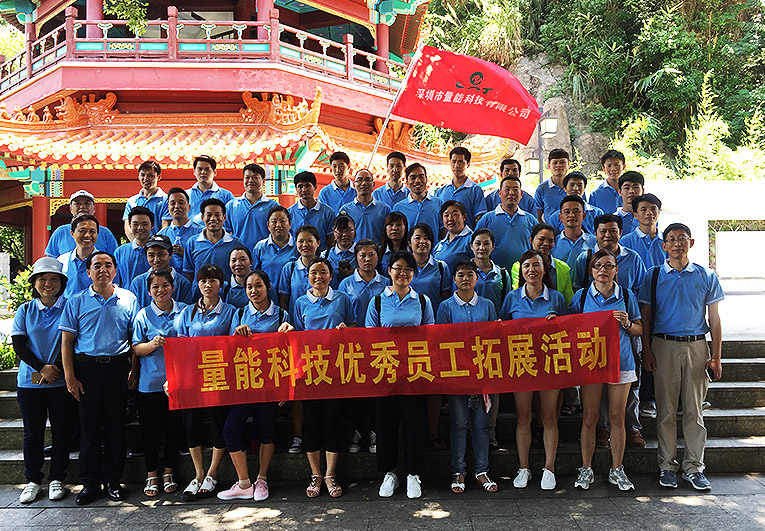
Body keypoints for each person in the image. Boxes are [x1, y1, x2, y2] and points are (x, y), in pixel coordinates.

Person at [640, 223, 724, 491]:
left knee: (694, 410)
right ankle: (667, 466)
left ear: (692, 242)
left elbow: (714, 318)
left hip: (697, 346)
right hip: (663, 345)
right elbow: (646, 317)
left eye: (682, 238)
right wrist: (647, 350)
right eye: (671, 239)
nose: (677, 243)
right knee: (665, 410)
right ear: (664, 245)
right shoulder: (653, 276)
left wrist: (716, 356)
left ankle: (694, 467)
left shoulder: (706, 275)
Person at [59, 251, 140, 505]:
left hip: (118, 369)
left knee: (116, 427)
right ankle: (90, 483)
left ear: (115, 270)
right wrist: (70, 377)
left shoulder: (128, 298)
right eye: (97, 266)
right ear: (88, 272)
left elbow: (135, 339)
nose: (103, 269)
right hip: (87, 370)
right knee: (89, 429)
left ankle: (114, 481)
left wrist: (134, 370)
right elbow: (67, 342)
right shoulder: (76, 301)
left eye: (108, 265)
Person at [218, 270, 293, 502]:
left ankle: (262, 478)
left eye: (258, 285)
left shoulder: (281, 315)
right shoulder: (240, 313)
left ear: (268, 287)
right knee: (230, 431)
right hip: (244, 383)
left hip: (270, 384)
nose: (254, 291)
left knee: (267, 431)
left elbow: (290, 353)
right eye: (249, 287)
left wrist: (285, 386)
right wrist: (236, 334)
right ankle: (243, 483)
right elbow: (229, 350)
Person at [571, 249, 643, 491]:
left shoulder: (626, 295)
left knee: (617, 418)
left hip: (621, 363)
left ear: (616, 270)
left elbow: (640, 329)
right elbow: (568, 326)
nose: (603, 270)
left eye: (608, 265)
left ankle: (617, 469)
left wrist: (627, 323)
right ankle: (586, 467)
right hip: (590, 363)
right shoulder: (582, 296)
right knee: (590, 417)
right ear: (591, 270)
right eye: (598, 265)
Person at [366, 251, 435, 499]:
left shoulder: (423, 301)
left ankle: (413, 474)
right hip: (386, 372)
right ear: (389, 271)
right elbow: (370, 337)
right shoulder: (377, 301)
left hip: (414, 372)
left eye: (408, 269)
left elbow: (430, 335)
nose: (402, 273)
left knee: (414, 423)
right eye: (398, 268)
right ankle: (389, 473)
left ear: (414, 274)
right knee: (386, 425)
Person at [500, 250, 566, 491]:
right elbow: (501, 328)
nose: (531, 270)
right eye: (526, 265)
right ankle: (524, 467)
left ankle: (549, 468)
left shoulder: (556, 298)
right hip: (522, 364)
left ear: (544, 269)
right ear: (521, 270)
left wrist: (557, 324)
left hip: (549, 365)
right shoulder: (512, 298)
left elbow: (569, 331)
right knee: (523, 417)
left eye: (536, 265)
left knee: (549, 417)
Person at [12, 258, 73, 504]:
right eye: (42, 279)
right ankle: (33, 480)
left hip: (60, 382)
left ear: (61, 283)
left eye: (54, 279)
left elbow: (72, 341)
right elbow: (19, 345)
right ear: (34, 283)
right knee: (32, 433)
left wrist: (54, 369)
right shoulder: (25, 310)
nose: (48, 284)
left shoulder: (69, 307)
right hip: (30, 383)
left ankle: (57, 478)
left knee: (61, 432)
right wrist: (42, 368)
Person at [293, 257, 356, 498]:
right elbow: (297, 338)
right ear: (307, 276)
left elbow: (354, 329)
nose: (318, 277)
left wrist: (346, 331)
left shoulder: (342, 299)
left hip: (335, 372)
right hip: (310, 372)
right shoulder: (300, 303)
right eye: (313, 272)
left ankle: (330, 474)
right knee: (311, 423)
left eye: (323, 272)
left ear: (331, 275)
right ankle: (315, 474)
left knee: (332, 422)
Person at [436, 261, 498, 495]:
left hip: (482, 373)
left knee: (481, 425)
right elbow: (441, 340)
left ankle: (482, 471)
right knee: (460, 423)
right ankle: (458, 471)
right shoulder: (445, 307)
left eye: (470, 274)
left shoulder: (487, 305)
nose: (465, 279)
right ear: (454, 279)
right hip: (457, 374)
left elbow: (494, 337)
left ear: (477, 278)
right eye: (460, 275)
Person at [177, 265, 237, 501]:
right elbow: (180, 348)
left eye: (213, 280)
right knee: (192, 424)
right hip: (192, 379)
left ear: (221, 284)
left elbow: (233, 344)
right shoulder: (188, 312)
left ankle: (212, 473)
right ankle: (198, 473)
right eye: (203, 280)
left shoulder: (230, 311)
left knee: (217, 423)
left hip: (218, 376)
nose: (207, 285)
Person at [131, 270, 186, 497]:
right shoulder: (143, 315)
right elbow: (137, 348)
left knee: (174, 428)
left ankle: (169, 472)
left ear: (173, 287)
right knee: (150, 431)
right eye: (155, 287)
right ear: (149, 291)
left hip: (179, 382)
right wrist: (153, 344)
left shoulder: (185, 311)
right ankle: (151, 473)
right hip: (151, 383)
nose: (160, 290)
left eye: (165, 285)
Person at [338, 239, 390, 454]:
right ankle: (359, 430)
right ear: (356, 258)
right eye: (362, 255)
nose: (367, 259)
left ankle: (375, 431)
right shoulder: (346, 284)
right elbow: (341, 311)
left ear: (378, 257)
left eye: (371, 255)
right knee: (357, 393)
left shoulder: (386, 282)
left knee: (378, 391)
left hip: (380, 346)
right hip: (354, 347)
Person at [572, 214, 646, 293]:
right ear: (595, 234)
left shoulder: (632, 258)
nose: (608, 235)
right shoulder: (584, 258)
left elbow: (641, 288)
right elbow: (577, 288)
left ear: (620, 233)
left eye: (613, 231)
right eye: (603, 231)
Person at [476, 175, 536, 270]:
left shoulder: (530, 220)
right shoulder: (486, 219)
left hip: (524, 273)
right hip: (494, 273)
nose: (511, 193)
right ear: (500, 193)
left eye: (515, 190)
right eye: (507, 189)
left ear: (521, 194)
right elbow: (476, 244)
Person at [510, 223, 574, 304]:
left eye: (550, 241)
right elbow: (517, 295)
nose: (546, 243)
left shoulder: (563, 267)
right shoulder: (518, 266)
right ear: (531, 240)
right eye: (541, 239)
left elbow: (568, 300)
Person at [182, 198, 245, 282]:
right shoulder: (192, 243)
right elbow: (189, 273)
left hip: (227, 290)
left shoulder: (235, 243)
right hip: (199, 290)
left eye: (217, 215)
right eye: (209, 215)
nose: (213, 218)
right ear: (202, 218)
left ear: (224, 217)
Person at [45, 190, 118, 258]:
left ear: (94, 208)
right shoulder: (60, 232)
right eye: (77, 203)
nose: (82, 207)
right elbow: (50, 260)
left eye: (87, 203)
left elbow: (114, 260)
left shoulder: (105, 233)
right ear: (71, 209)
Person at [224, 163, 279, 251]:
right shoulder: (231, 206)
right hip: (239, 255)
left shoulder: (273, 206)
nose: (250, 180)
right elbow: (224, 233)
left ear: (263, 181)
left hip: (265, 254)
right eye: (247, 177)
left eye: (255, 177)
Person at [129, 235, 194, 307]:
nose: (156, 260)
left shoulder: (183, 283)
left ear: (170, 255)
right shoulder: (138, 283)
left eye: (161, 255)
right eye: (151, 255)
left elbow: (187, 310)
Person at [252, 205, 296, 302]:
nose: (278, 225)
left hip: (293, 298)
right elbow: (254, 275)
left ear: (289, 224)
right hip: (266, 299)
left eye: (282, 221)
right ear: (268, 225)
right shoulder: (260, 247)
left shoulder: (298, 247)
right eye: (274, 221)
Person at [435, 147, 486, 228]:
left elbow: (480, 217)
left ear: (468, 164)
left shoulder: (475, 190)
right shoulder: (441, 191)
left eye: (461, 162)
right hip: (447, 236)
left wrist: (475, 234)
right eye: (453, 162)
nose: (456, 166)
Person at [393, 163, 443, 242]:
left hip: (434, 249)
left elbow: (443, 230)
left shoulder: (438, 203)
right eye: (413, 178)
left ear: (426, 179)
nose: (417, 181)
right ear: (407, 181)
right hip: (408, 249)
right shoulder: (399, 208)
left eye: (421, 177)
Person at [278, 225, 320, 319]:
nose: (305, 245)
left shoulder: (325, 268)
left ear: (318, 243)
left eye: (309, 241)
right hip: (295, 320)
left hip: (319, 320)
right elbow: (283, 299)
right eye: (301, 241)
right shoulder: (289, 268)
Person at [339, 169, 391, 243]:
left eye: (368, 180)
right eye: (359, 180)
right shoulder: (345, 210)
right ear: (354, 185)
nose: (364, 183)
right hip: (353, 250)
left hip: (377, 250)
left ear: (373, 184)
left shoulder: (384, 209)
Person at [158, 187, 203, 272]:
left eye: (181, 202)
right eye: (173, 203)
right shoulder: (161, 235)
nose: (177, 206)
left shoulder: (201, 232)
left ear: (189, 207)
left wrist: (185, 255)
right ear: (168, 208)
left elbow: (204, 260)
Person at [181, 155, 235, 225]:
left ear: (215, 172)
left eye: (207, 169)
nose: (203, 172)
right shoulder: (185, 195)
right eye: (200, 169)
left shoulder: (226, 196)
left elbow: (233, 220)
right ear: (194, 172)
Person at [288, 171, 335, 251]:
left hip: (320, 256)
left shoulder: (327, 212)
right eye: (300, 186)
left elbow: (330, 240)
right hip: (296, 257)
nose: (304, 190)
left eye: (307, 185)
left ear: (315, 187)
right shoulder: (289, 213)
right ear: (296, 188)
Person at [409, 223, 451, 312]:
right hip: (408, 317)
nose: (422, 241)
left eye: (426, 238)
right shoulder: (404, 267)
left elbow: (445, 298)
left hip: (434, 317)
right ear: (409, 243)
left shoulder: (441, 267)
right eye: (418, 238)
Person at [469, 228, 511, 315]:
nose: (482, 248)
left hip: (495, 321)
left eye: (486, 244)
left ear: (493, 247)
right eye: (478, 244)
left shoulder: (502, 274)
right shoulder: (463, 274)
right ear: (471, 246)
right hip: (470, 321)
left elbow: (507, 303)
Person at [620, 193, 667, 269]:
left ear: (658, 213)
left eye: (653, 209)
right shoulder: (626, 241)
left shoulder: (667, 239)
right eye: (644, 209)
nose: (649, 213)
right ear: (635, 215)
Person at [552, 195, 598, 272]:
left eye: (576, 211)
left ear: (583, 216)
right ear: (560, 217)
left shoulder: (594, 242)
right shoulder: (553, 243)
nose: (571, 215)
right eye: (567, 212)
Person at [123, 160, 168, 239]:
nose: (146, 179)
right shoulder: (132, 201)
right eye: (143, 175)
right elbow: (127, 227)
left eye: (150, 175)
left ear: (159, 177)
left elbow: (166, 225)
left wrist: (153, 243)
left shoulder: (166, 200)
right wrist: (137, 243)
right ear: (138, 176)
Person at [58, 214, 100, 297]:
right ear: (72, 233)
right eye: (82, 231)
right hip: (67, 305)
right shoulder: (62, 261)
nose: (87, 235)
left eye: (92, 231)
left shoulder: (105, 263)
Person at [114, 206, 153, 286]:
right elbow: (116, 281)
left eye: (144, 224)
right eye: (135, 224)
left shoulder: (159, 251)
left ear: (152, 225)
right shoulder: (120, 252)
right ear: (130, 225)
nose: (140, 228)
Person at [433, 201, 473, 270]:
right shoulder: (440, 245)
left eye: (455, 214)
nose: (450, 219)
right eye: (446, 215)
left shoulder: (471, 239)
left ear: (464, 217)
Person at [534, 148, 570, 224]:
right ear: (549, 166)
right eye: (555, 163)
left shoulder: (576, 188)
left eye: (562, 162)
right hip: (550, 230)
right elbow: (537, 217)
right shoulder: (542, 189)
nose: (558, 165)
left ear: (568, 164)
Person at [321, 214, 357, 287]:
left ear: (354, 230)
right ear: (334, 231)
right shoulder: (325, 256)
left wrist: (354, 275)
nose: (344, 234)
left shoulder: (362, 254)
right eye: (340, 231)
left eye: (348, 230)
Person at [589, 150, 626, 214]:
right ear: (604, 169)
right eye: (609, 166)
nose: (613, 169)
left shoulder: (630, 191)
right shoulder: (596, 194)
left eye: (616, 165)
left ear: (623, 166)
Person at [615, 171, 645, 235]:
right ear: (619, 192)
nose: (631, 191)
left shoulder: (649, 217)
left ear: (643, 191)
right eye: (627, 188)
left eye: (636, 187)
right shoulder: (614, 219)